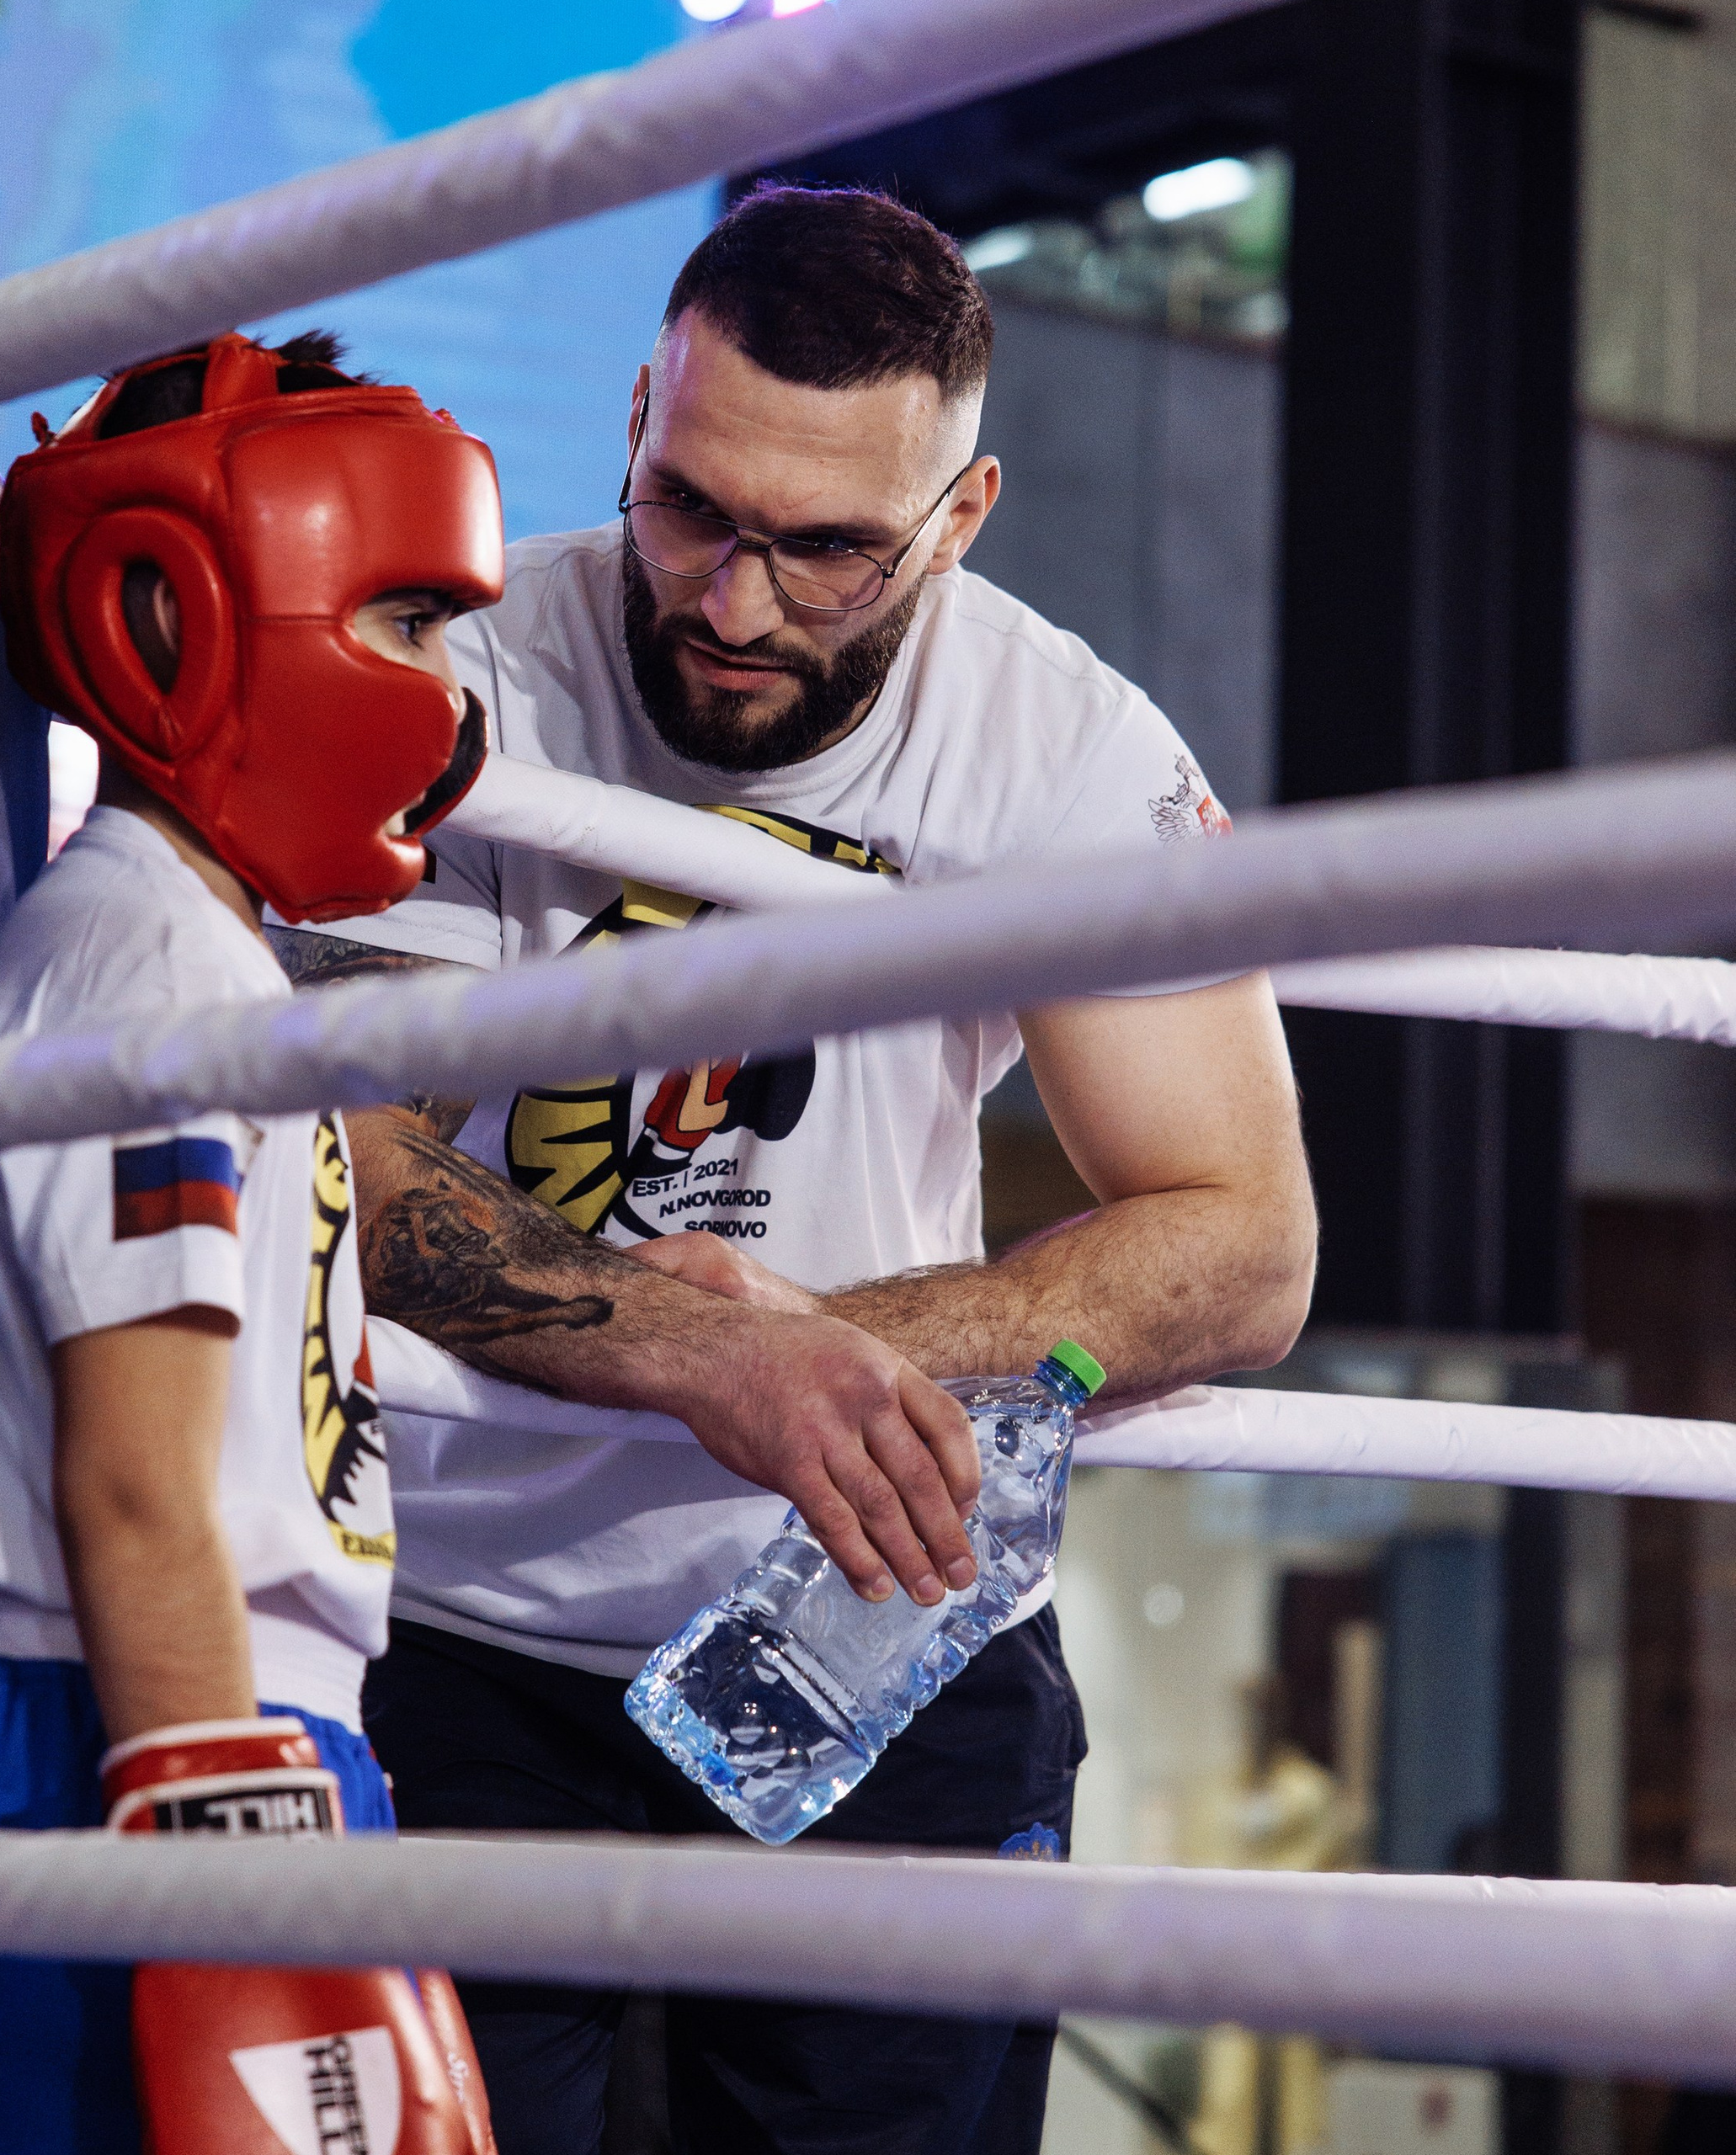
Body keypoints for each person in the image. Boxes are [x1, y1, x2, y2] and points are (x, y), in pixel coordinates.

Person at [270, 188, 1318, 2155]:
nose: (728, 601)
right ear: (636, 416)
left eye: (823, 546)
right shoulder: (465, 666)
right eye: (689, 505)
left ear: (960, 510)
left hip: (868, 1621)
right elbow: (361, 1157)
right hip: (460, 1619)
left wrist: (821, 1349)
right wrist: (703, 1354)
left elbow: (1240, 1242)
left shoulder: (1058, 746)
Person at [0, 329, 505, 2155]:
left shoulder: (200, 956)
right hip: (123, 1717)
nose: (443, 697)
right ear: (188, 614)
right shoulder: (138, 961)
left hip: (217, 1718)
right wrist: (228, 1863)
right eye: (401, 621)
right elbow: (138, 1484)